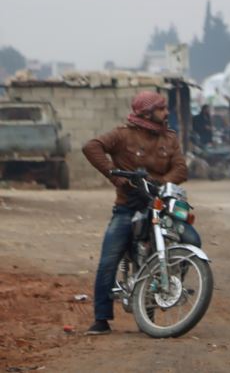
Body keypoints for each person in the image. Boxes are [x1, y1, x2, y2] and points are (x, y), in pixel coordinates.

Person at [81, 91, 199, 336]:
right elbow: (91, 147)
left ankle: (169, 282)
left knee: (192, 240)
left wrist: (160, 184)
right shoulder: (122, 135)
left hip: (161, 206)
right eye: (161, 108)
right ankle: (101, 319)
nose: (167, 113)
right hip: (128, 208)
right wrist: (114, 175)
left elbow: (181, 168)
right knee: (108, 260)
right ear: (146, 112)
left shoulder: (169, 138)